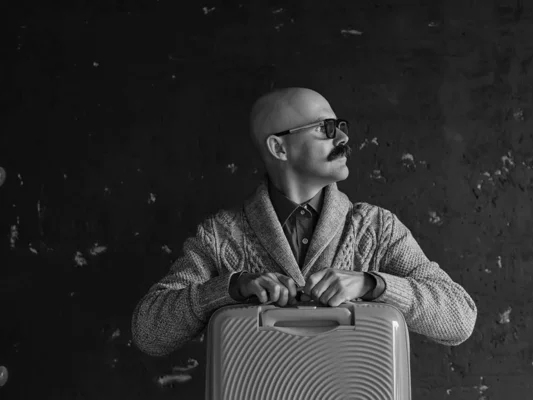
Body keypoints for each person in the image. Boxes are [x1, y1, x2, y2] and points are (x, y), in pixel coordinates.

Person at [131, 87, 477, 357]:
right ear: (279, 149)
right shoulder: (221, 235)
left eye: (340, 126)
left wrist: (373, 286)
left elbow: (460, 318)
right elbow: (148, 332)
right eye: (326, 128)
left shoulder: (376, 227)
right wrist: (230, 288)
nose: (343, 138)